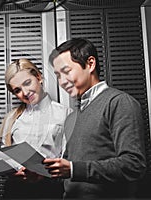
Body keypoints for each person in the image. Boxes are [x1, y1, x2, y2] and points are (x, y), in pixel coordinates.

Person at [43, 38, 147, 199]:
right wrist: (40, 176)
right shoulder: (71, 118)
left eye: (66, 71)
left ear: (90, 64)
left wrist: (73, 169)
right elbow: (68, 175)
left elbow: (133, 165)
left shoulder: (119, 102)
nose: (62, 82)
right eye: (58, 75)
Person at [0, 58, 72, 199]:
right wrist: (15, 171)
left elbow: (68, 157)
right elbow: (6, 152)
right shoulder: (11, 119)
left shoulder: (65, 114)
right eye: (17, 90)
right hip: (16, 191)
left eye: (27, 83)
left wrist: (43, 173)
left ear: (39, 77)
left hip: (49, 190)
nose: (25, 93)